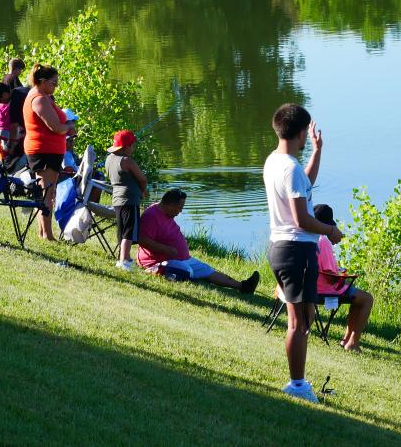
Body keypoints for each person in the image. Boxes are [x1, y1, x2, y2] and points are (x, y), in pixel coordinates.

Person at [264, 103, 343, 404]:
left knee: (300, 319)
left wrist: (317, 151)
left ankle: (298, 380)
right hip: (297, 249)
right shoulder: (291, 168)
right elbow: (301, 219)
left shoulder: (275, 162)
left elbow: (304, 185)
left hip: (280, 248)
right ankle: (297, 385)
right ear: (300, 132)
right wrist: (329, 230)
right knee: (299, 324)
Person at [138, 189, 260, 293]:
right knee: (186, 271)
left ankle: (243, 286)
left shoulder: (167, 213)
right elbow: (142, 240)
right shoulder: (152, 216)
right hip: (158, 262)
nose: (180, 211)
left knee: (208, 270)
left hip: (182, 258)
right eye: (179, 207)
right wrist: (166, 249)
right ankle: (181, 275)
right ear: (170, 205)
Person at [312, 204, 374, 351]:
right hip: (324, 290)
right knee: (367, 299)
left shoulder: (307, 238)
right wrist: (344, 277)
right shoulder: (323, 241)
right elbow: (331, 276)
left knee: (357, 299)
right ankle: (352, 342)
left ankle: (347, 340)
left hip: (310, 286)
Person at [23, 63, 73, 241]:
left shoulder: (44, 97)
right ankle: (48, 235)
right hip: (43, 152)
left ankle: (43, 232)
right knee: (47, 194)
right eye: (54, 83)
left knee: (45, 192)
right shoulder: (39, 99)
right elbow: (56, 127)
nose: (55, 87)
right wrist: (69, 126)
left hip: (47, 150)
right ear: (42, 81)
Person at [106, 129, 147, 271]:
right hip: (129, 199)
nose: (133, 148)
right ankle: (125, 260)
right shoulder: (126, 161)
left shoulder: (109, 159)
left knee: (122, 229)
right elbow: (142, 178)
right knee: (129, 230)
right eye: (132, 146)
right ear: (126, 147)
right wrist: (143, 190)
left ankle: (121, 258)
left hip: (117, 199)